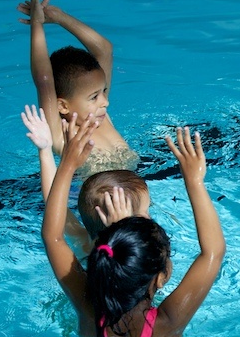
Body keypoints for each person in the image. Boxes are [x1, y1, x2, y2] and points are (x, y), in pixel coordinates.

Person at [43, 115, 225, 337]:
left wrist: (68, 165)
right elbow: (213, 253)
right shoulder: (166, 324)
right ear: (162, 276)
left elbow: (53, 235)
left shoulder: (90, 307)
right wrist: (194, 181)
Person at [18, 0, 137, 176]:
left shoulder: (99, 116)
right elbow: (44, 80)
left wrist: (59, 17)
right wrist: (37, 24)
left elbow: (104, 49)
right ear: (63, 106)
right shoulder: (62, 135)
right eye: (94, 97)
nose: (105, 102)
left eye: (104, 92)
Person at [21, 104, 149, 253]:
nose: (148, 217)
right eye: (144, 212)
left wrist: (45, 150)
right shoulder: (147, 258)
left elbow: (54, 210)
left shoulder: (84, 245)